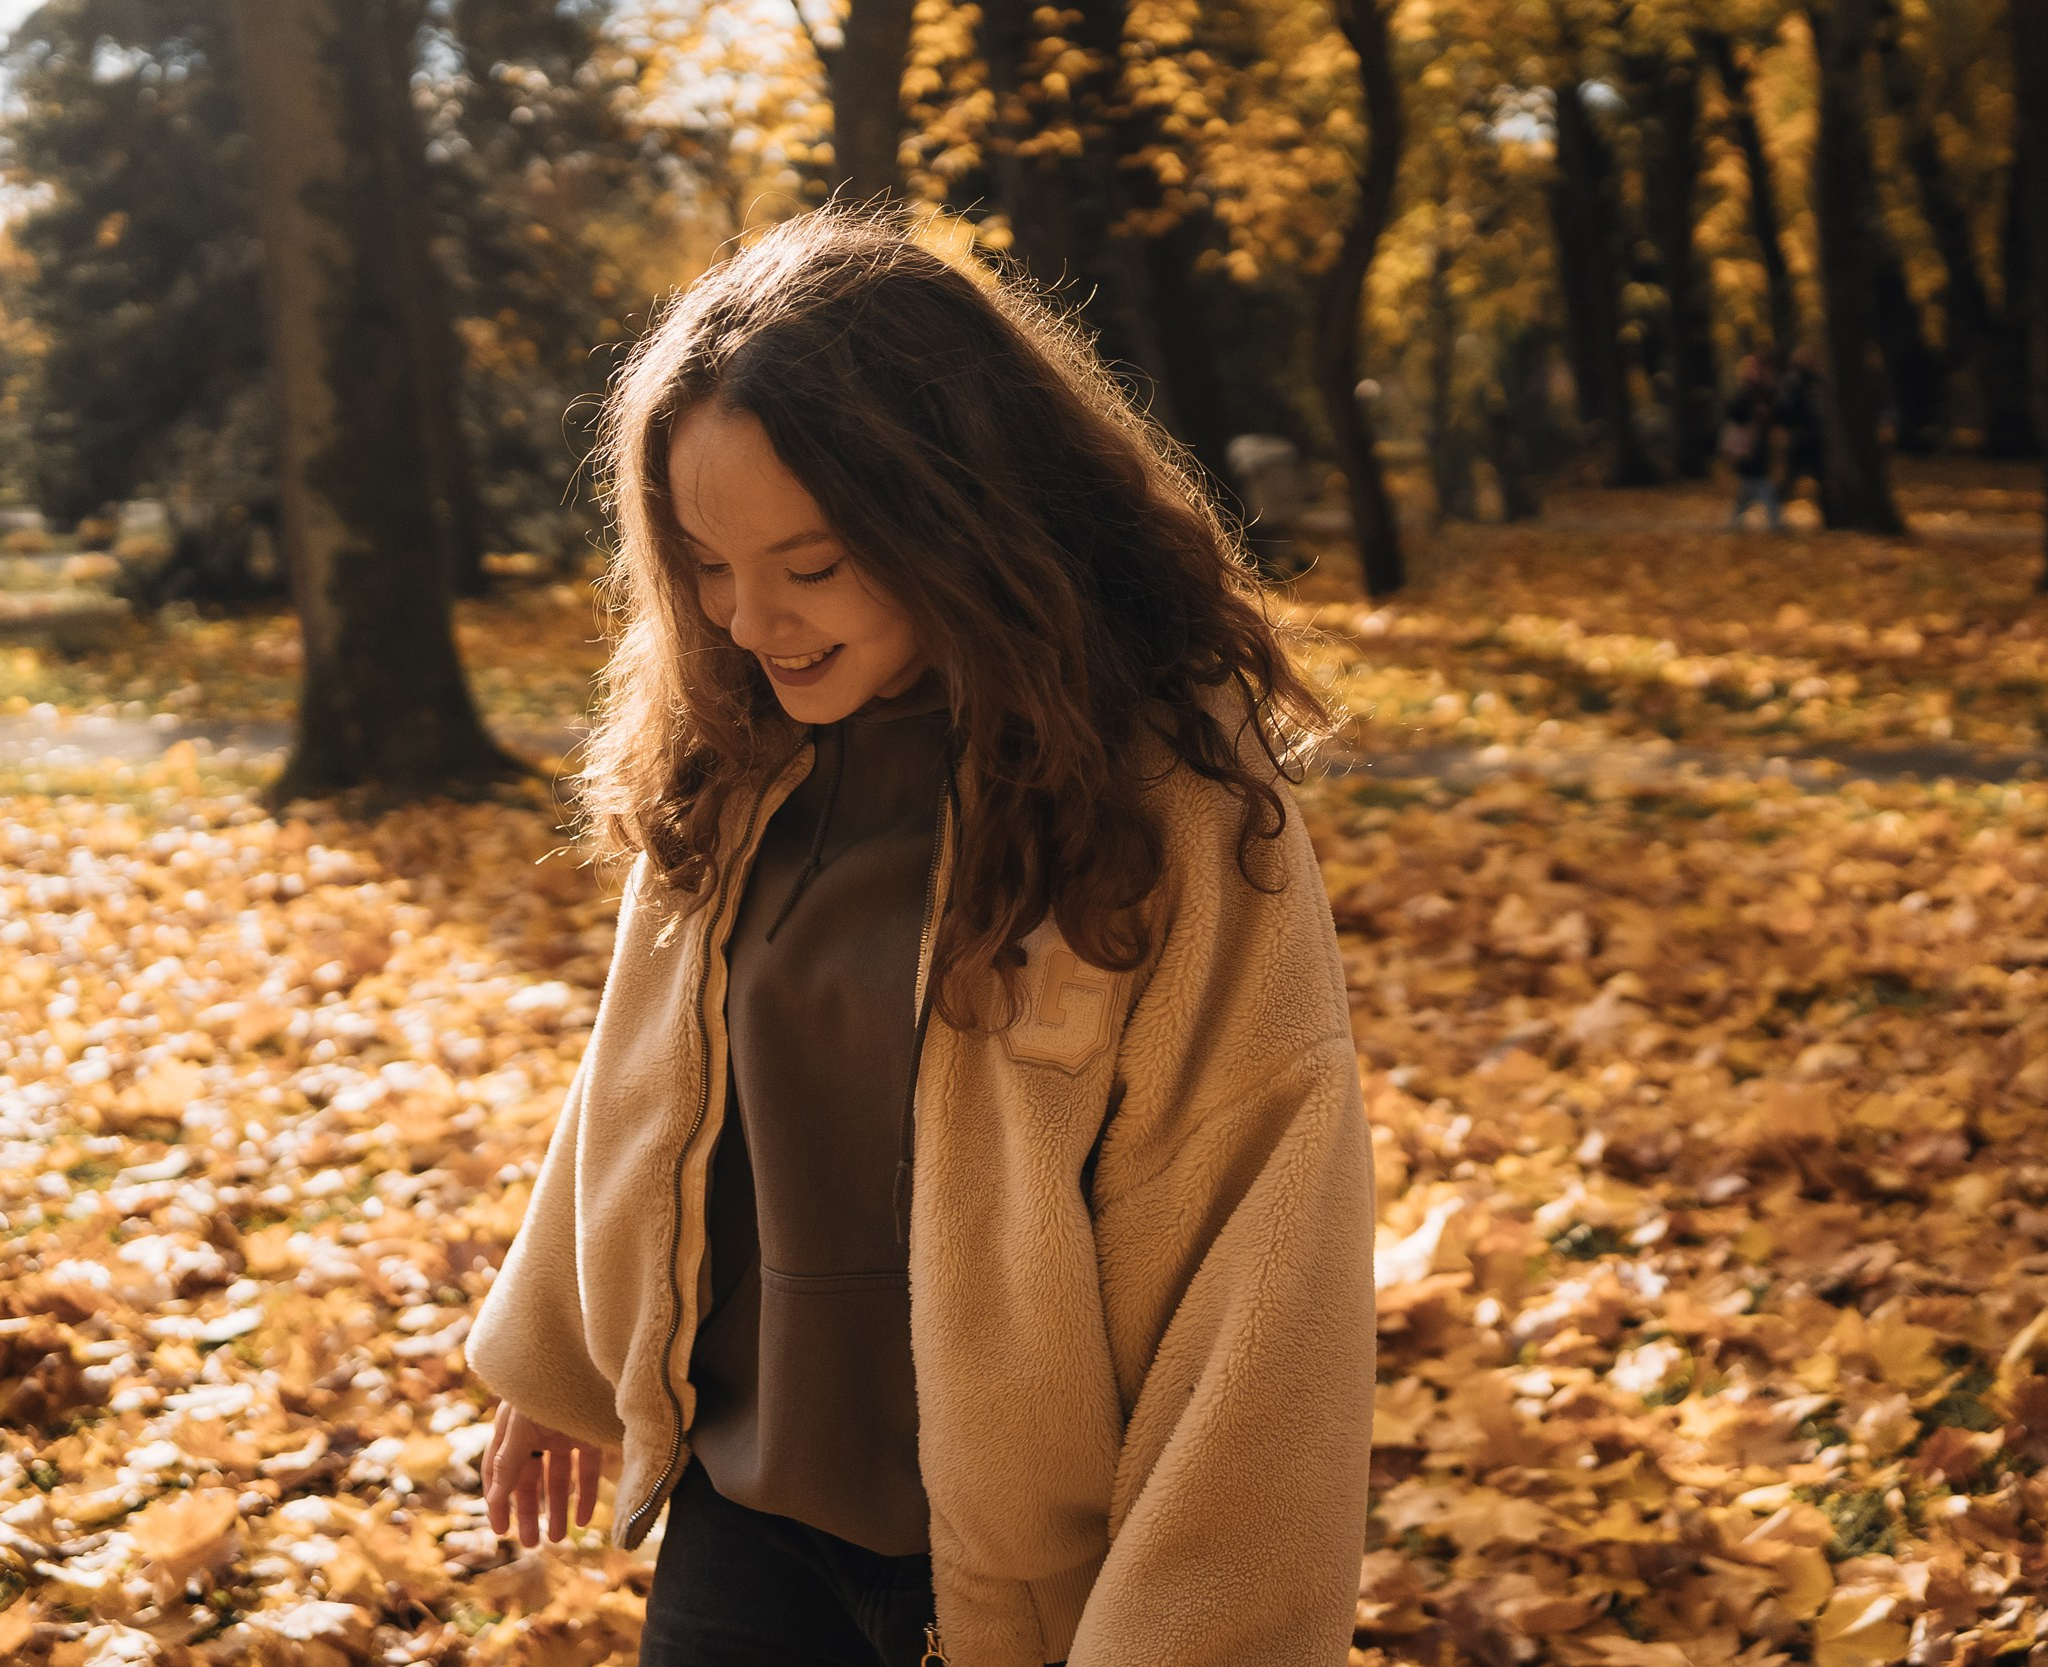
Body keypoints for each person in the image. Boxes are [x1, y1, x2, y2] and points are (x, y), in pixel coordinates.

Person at [460, 206, 1376, 1667]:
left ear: (956, 519)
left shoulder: (1163, 805)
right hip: (743, 1517)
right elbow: (651, 1077)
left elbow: (1260, 1278)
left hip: (1021, 1582)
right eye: (703, 561)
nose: (750, 617)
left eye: (812, 564)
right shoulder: (735, 759)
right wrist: (566, 1355)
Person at [1721, 354, 1781, 531]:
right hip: (1749, 447)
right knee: (1758, 484)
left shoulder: (1766, 391)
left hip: (1758, 447)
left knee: (1748, 486)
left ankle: (1736, 522)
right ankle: (1773, 520)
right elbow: (1734, 415)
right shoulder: (1744, 393)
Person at [1773, 347, 1826, 518]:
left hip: (1813, 436)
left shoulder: (1814, 380)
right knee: (1791, 475)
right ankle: (1775, 513)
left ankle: (1829, 513)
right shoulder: (1794, 380)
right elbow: (1784, 408)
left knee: (1820, 475)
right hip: (1800, 435)